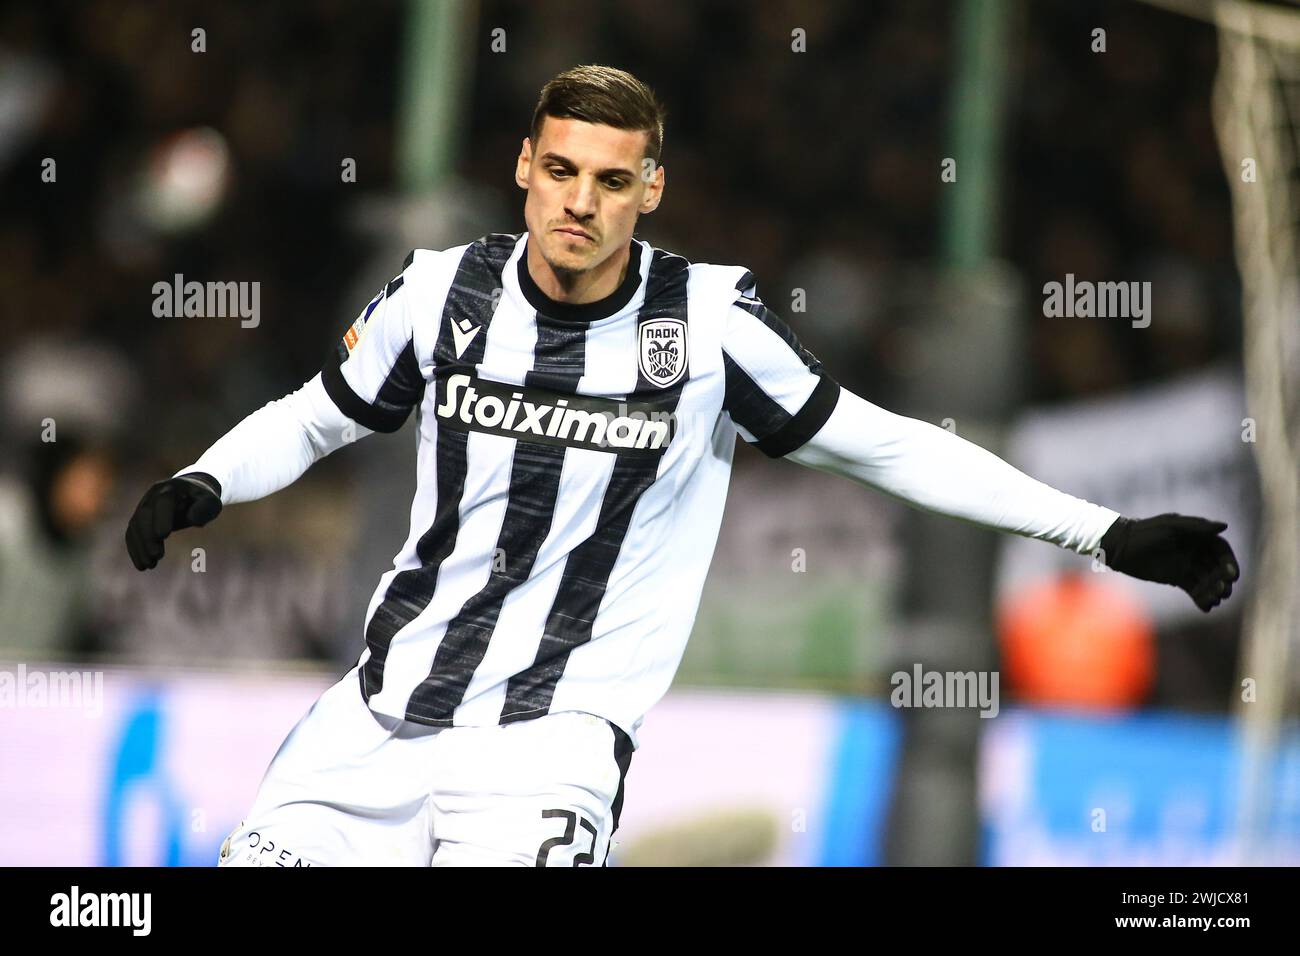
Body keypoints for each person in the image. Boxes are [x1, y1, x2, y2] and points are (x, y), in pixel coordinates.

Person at [125, 65, 1239, 867]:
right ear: (523, 166)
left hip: (545, 754)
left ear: (649, 189)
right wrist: (204, 480)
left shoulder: (708, 326)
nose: (578, 200)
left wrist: (1103, 533)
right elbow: (323, 414)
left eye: (610, 181)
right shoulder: (439, 290)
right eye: (558, 169)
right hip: (370, 718)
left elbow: (890, 443)